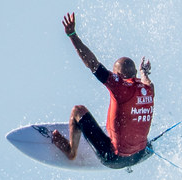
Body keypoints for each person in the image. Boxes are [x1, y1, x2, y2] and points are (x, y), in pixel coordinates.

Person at [51, 13, 155, 169]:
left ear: (118, 75)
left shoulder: (119, 86)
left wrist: (72, 35)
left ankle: (71, 151)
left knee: (78, 110)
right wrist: (143, 72)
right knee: (144, 135)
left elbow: (92, 63)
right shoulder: (149, 89)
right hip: (140, 156)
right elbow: (146, 80)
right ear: (135, 73)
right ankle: (129, 155)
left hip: (114, 158)